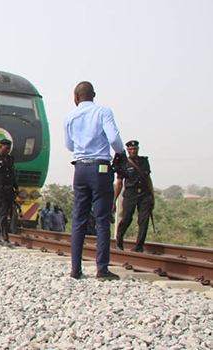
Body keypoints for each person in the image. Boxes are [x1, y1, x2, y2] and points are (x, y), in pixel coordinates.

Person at [63, 81, 125, 281]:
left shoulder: (70, 117)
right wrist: (121, 153)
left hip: (80, 168)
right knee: (102, 219)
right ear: (94, 95)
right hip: (100, 168)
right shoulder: (103, 111)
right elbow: (114, 138)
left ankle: (75, 269)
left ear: (76, 97)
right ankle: (102, 269)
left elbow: (69, 145)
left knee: (79, 219)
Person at [113, 140, 154, 253]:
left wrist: (152, 196)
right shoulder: (123, 163)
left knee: (143, 221)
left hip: (144, 194)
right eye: (130, 149)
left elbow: (148, 179)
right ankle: (119, 241)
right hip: (130, 194)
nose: (133, 151)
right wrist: (114, 201)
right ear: (127, 150)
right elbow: (119, 183)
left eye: (135, 149)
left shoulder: (144, 161)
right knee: (126, 219)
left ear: (138, 149)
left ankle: (139, 247)